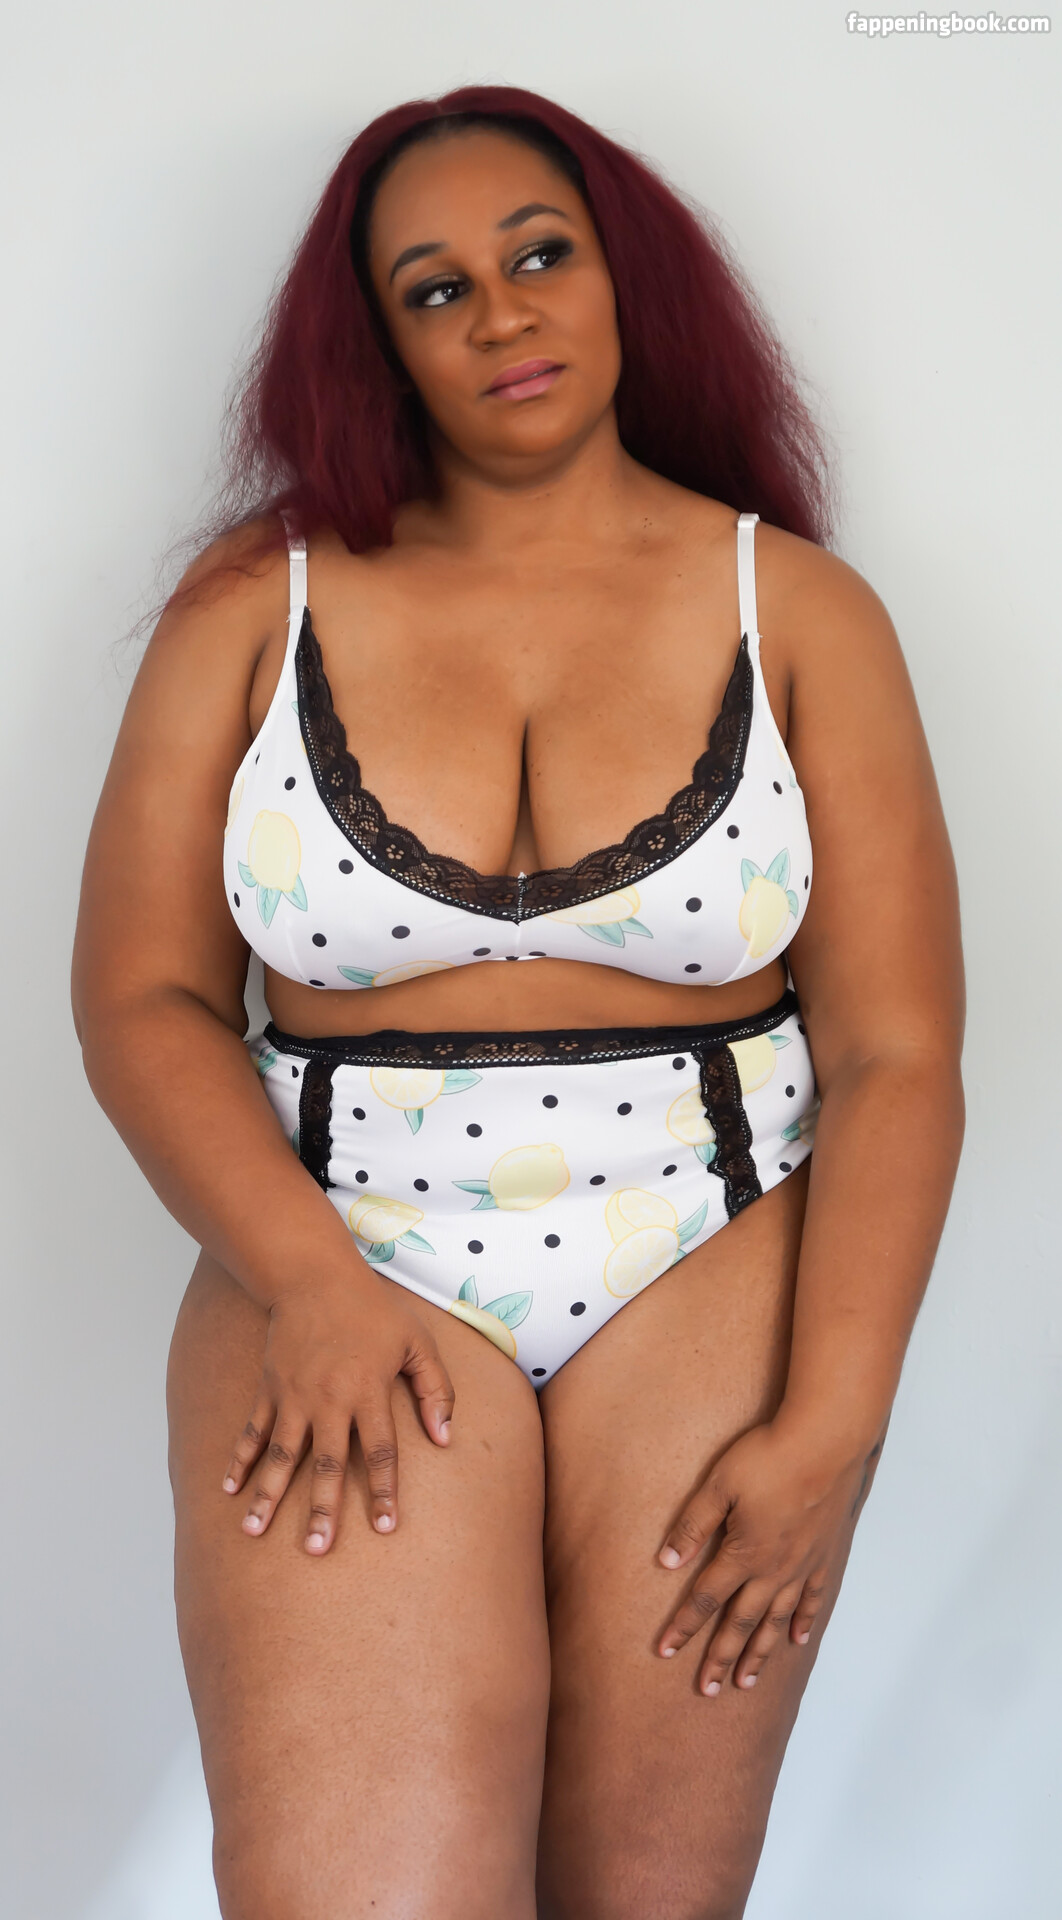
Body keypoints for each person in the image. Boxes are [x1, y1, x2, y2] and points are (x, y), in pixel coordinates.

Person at [71, 83, 966, 1920]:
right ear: (379, 343)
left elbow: (896, 1052)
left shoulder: (800, 611)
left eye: (539, 254)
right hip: (339, 1255)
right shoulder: (249, 610)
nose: (501, 314)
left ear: (625, 273)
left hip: (710, 1255)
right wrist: (309, 1283)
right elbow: (142, 996)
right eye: (435, 288)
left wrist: (832, 1426)